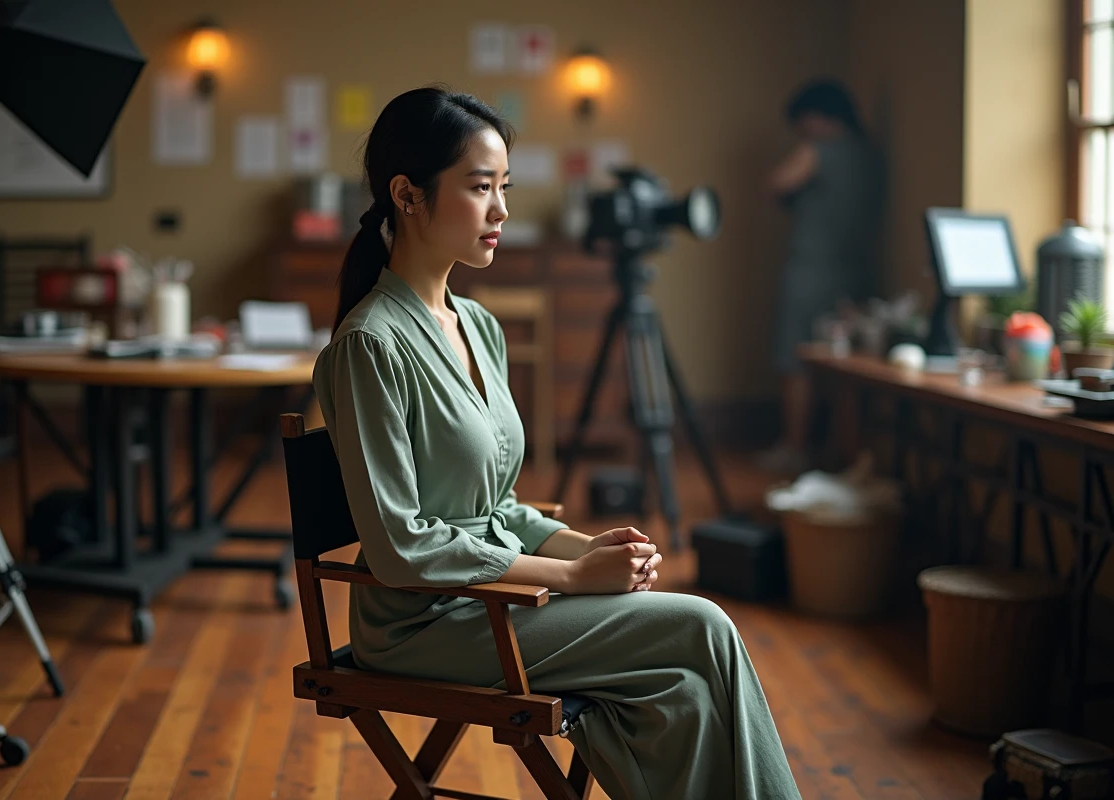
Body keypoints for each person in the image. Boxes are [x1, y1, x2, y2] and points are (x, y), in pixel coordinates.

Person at [312, 85, 801, 800]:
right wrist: (571, 578)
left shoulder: (479, 327)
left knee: (687, 695)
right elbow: (399, 547)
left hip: (491, 600)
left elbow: (498, 507)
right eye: (480, 187)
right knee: (705, 625)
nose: (502, 211)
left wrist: (587, 547)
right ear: (408, 195)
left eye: (504, 187)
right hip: (425, 623)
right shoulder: (369, 346)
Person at [758, 78, 884, 474]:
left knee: (796, 359)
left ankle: (795, 447)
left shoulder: (817, 151)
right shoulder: (870, 155)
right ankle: (843, 454)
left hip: (811, 270)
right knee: (845, 365)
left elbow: (776, 184)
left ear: (817, 116)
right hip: (857, 271)